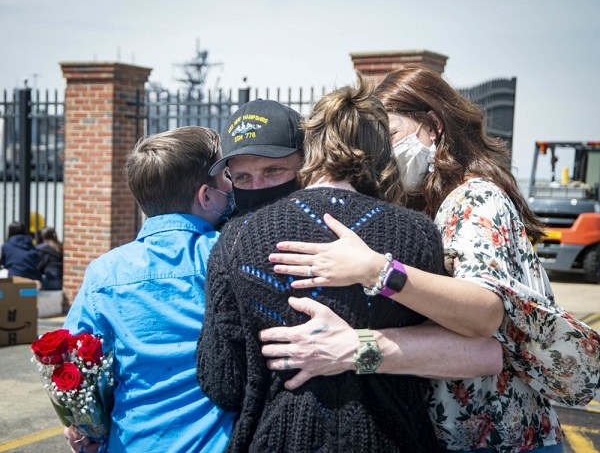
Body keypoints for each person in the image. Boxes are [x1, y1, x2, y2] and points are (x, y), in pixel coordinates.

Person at [265, 67, 600, 452]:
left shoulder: (474, 200)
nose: (385, 154)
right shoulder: (424, 203)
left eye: (391, 136)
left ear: (433, 127)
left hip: (500, 439)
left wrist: (377, 271)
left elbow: (484, 313)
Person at [197, 77, 454, 452]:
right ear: (385, 151)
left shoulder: (236, 238)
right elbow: (449, 352)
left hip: (278, 438)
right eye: (243, 177)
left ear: (308, 154)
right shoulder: (418, 234)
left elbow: (224, 382)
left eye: (272, 171)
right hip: (396, 436)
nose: (257, 186)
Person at [62, 126, 236, 453]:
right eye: (226, 176)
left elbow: (73, 367)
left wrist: (85, 428)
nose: (233, 184)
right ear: (206, 196)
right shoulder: (228, 256)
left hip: (130, 443)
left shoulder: (104, 272)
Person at [36, 226, 63, 290]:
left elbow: (39, 266)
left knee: (28, 293)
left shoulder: (41, 248)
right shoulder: (60, 246)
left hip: (48, 280)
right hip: (61, 281)